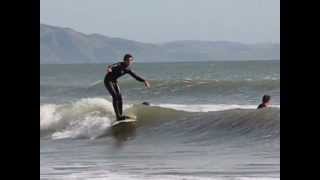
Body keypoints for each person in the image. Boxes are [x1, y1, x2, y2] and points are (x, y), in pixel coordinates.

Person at [104, 54, 150, 120]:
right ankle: (118, 116)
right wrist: (109, 69)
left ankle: (120, 115)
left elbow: (136, 76)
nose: (129, 62)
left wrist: (144, 81)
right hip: (108, 81)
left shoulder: (128, 69)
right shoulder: (120, 64)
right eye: (128, 60)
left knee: (119, 97)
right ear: (124, 60)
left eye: (131, 60)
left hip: (114, 81)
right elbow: (111, 66)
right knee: (115, 96)